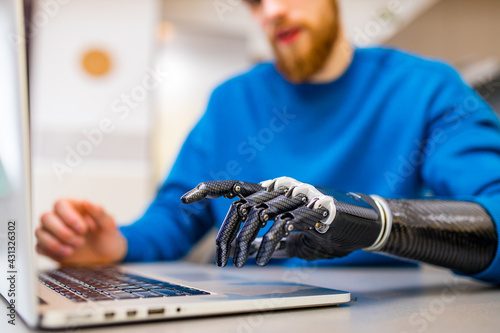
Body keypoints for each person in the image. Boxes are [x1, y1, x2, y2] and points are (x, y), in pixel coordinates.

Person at [35, 0, 500, 283]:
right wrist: (116, 244)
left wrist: (364, 219)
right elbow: (176, 215)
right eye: (256, 2)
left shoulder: (425, 88)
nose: (272, 12)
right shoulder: (230, 101)